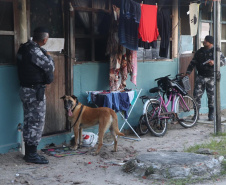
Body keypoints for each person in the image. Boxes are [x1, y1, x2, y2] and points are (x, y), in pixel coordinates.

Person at [17, 27, 55, 164]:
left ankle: (29, 153)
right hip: (34, 92)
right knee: (36, 122)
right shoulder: (35, 51)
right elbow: (50, 67)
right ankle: (31, 155)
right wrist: (49, 56)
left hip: (25, 89)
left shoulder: (24, 48)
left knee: (28, 121)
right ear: (44, 40)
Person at [186, 35, 225, 121]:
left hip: (211, 77)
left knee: (211, 97)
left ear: (210, 42)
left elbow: (223, 61)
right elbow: (193, 62)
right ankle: (196, 115)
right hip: (200, 77)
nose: (204, 42)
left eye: (205, 41)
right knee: (196, 96)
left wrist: (214, 62)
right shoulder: (199, 51)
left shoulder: (216, 51)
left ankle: (211, 115)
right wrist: (188, 72)